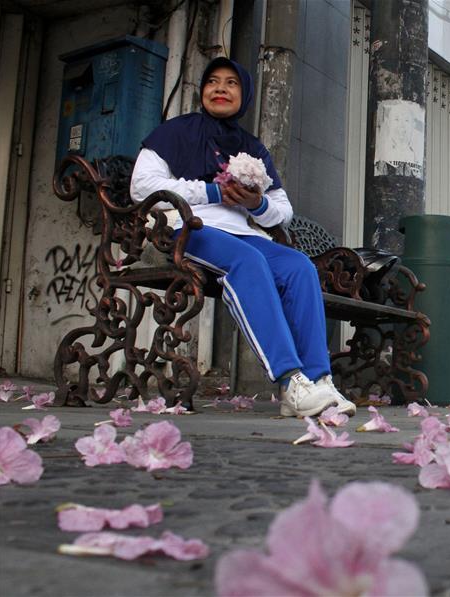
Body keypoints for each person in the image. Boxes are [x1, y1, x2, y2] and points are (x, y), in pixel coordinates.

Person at [130, 57, 355, 418]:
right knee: (246, 261)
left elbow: (283, 209)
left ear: (244, 94)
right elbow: (142, 186)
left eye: (231, 83)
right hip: (187, 228)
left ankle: (319, 379)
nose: (220, 88)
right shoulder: (174, 132)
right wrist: (212, 192)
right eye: (213, 81)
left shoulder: (252, 148)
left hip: (241, 232)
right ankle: (291, 381)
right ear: (202, 89)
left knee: (299, 266)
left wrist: (256, 203)